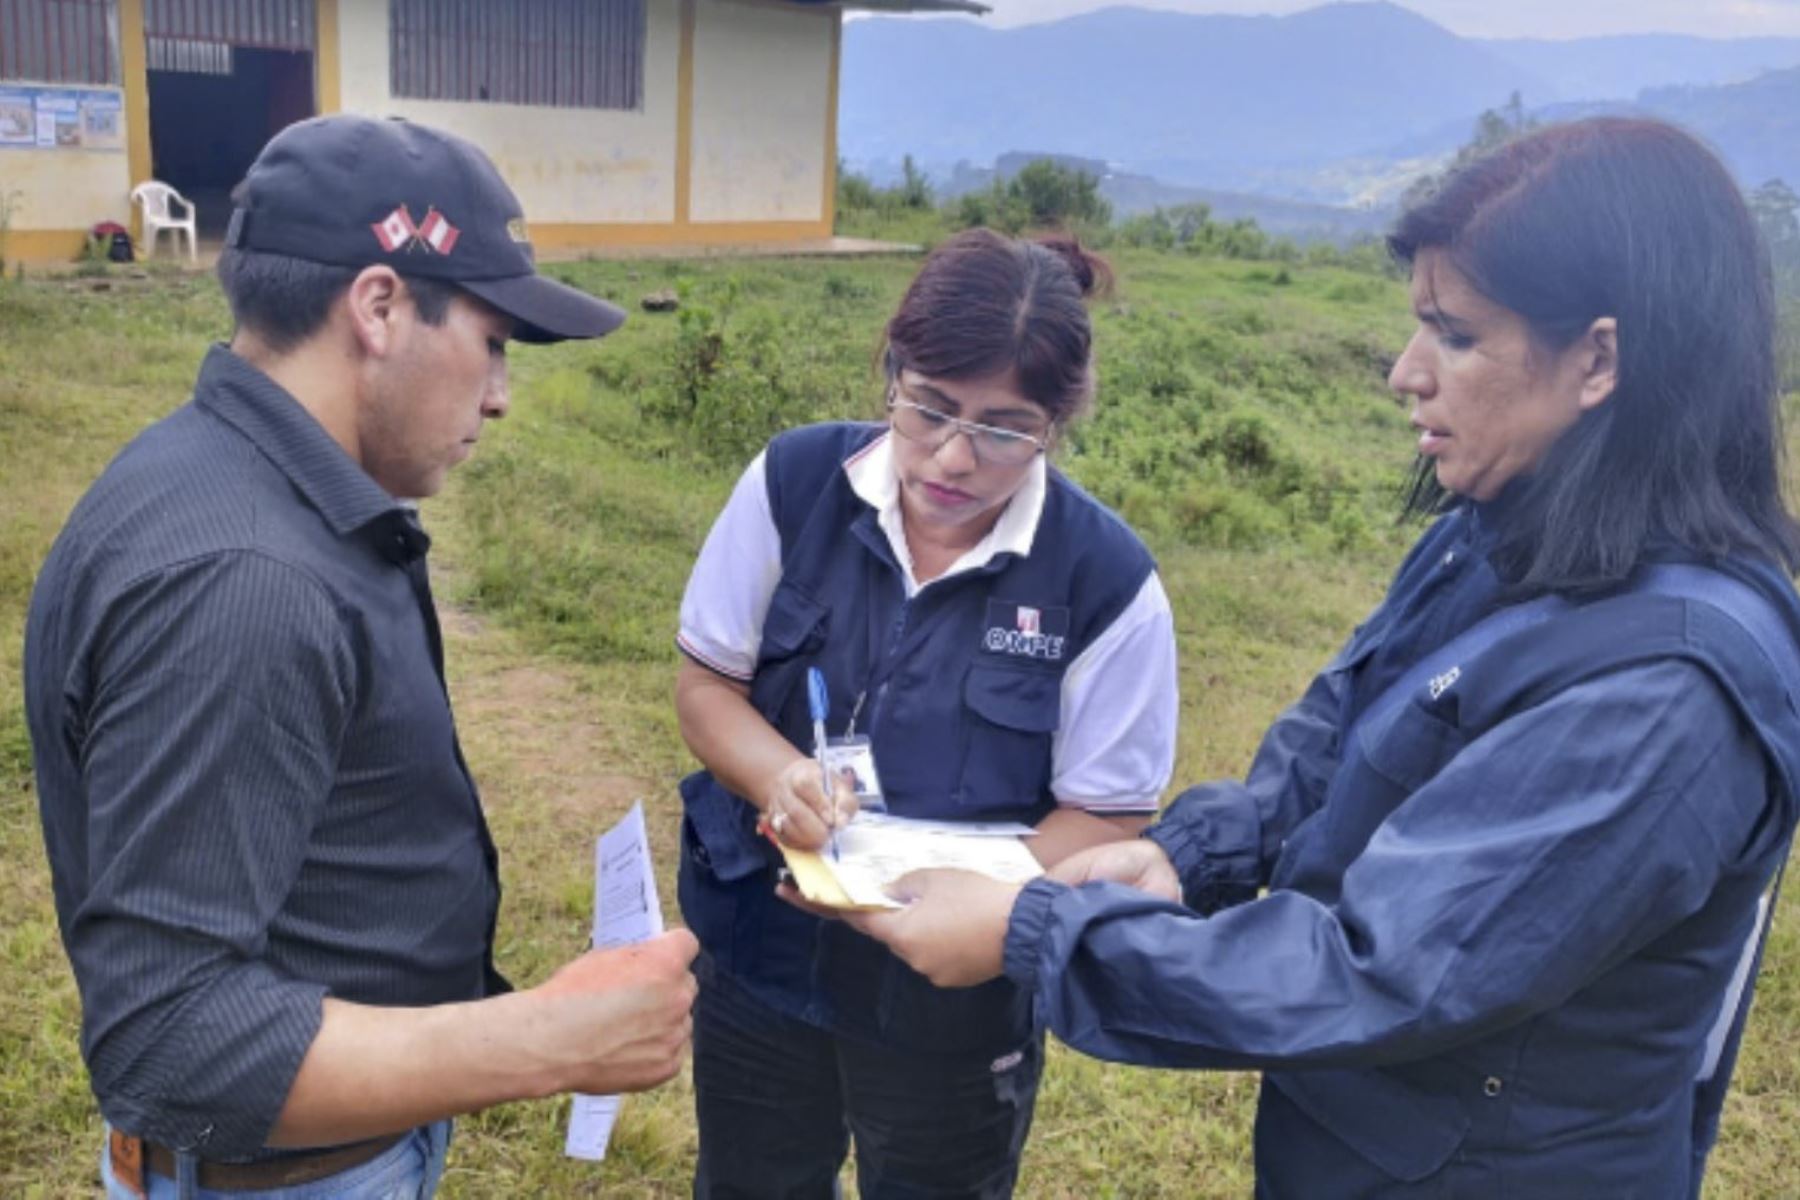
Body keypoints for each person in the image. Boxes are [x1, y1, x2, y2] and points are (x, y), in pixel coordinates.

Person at [850, 117, 1800, 1197]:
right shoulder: (1508, 530)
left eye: (1455, 334)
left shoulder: (1666, 696)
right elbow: (1347, 721)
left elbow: (1382, 969)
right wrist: (1196, 854)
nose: (1406, 374)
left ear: (1597, 358)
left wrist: (1036, 930)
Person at [24, 114, 698, 1199]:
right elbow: (170, 1039)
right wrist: (550, 1039)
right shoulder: (248, 580)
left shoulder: (235, 474)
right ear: (380, 307)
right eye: (491, 341)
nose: (499, 393)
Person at [673, 228, 1179, 1197]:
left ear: (1055, 424)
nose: (952, 457)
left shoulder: (1107, 582)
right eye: (929, 410)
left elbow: (1108, 816)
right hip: (759, 952)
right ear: (894, 375)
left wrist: (983, 909)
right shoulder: (792, 485)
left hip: (953, 1001)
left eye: (1002, 427)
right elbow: (707, 686)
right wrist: (778, 774)